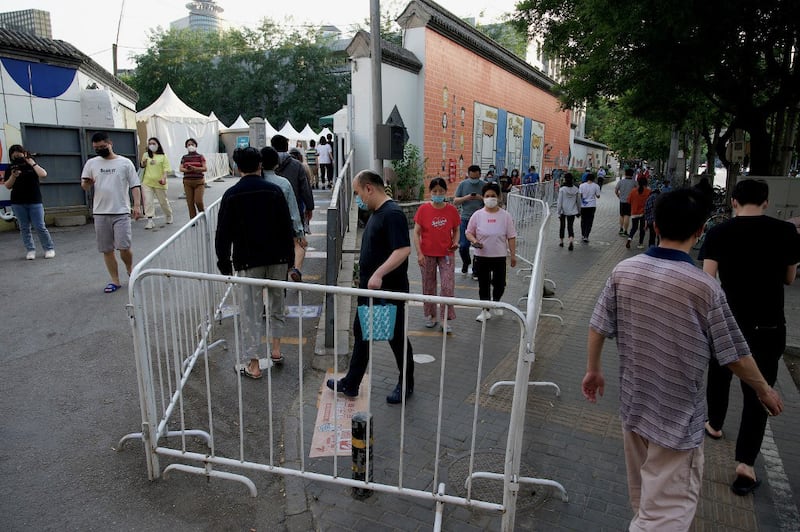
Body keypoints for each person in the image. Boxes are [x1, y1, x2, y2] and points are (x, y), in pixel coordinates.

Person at [583, 188, 784, 530]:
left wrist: (593, 370)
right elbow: (734, 352)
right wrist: (764, 389)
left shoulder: (625, 270)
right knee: (668, 513)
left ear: (655, 226)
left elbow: (598, 325)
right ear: (699, 231)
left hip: (634, 405)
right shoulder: (703, 286)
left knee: (646, 498)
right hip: (677, 418)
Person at [700, 179, 800, 496]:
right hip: (769, 325)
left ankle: (714, 423)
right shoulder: (786, 233)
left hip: (727, 322)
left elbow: (707, 282)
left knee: (719, 374)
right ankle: (745, 464)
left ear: (733, 201)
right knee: (760, 390)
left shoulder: (718, 232)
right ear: (766, 203)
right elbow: (789, 277)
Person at [327, 170, 415, 404]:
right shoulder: (377, 213)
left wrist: (378, 273)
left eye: (357, 192)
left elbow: (403, 249)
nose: (358, 198)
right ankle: (352, 383)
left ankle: (406, 384)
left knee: (395, 338)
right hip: (369, 291)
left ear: (369, 188)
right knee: (362, 334)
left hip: (387, 291)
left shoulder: (392, 213)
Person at [215, 146, 295, 378]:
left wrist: (224, 262)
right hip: (278, 257)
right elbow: (285, 227)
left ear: (237, 167)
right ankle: (277, 350)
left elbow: (223, 233)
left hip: (248, 261)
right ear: (260, 165)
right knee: (277, 306)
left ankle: (254, 364)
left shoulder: (231, 195)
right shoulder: (274, 191)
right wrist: (289, 259)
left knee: (250, 312)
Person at [80, 132, 142, 293]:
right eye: (96, 148)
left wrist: (137, 205)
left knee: (124, 247)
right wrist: (87, 183)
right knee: (106, 249)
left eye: (103, 147)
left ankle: (130, 268)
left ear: (110, 143)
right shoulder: (91, 163)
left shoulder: (125, 163)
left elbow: (135, 185)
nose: (100, 149)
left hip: (121, 211)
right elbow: (84, 186)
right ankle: (115, 280)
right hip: (100, 212)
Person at [413, 177, 460, 333]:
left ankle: (445, 319)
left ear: (446, 192)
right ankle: (431, 316)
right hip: (427, 254)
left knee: (447, 286)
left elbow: (457, 229)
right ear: (430, 192)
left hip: (446, 254)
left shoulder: (452, 210)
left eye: (441, 191)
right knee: (428, 286)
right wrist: (419, 253)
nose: (438, 194)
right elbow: (416, 232)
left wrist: (455, 242)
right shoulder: (423, 210)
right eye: (434, 191)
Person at [465, 182, 517, 322]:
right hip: (481, 256)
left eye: (493, 196)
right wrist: (474, 241)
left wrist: (512, 255)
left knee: (500, 284)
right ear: (483, 197)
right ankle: (485, 310)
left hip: (499, 256)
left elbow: (511, 236)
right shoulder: (477, 215)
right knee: (484, 284)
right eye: (487, 196)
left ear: (499, 197)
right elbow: (469, 232)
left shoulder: (505, 216)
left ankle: (496, 302)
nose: (490, 198)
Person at [271, 135, 314, 280]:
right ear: (286, 146)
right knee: (299, 242)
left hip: (273, 212)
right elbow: (305, 189)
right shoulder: (297, 165)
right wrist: (309, 207)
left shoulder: (266, 165)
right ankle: (296, 268)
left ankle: (280, 270)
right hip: (295, 208)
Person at [261, 146, 308, 280]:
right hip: (282, 232)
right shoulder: (284, 184)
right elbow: (293, 210)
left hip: (259, 234)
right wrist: (300, 232)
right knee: (299, 246)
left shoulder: (255, 183)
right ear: (276, 164)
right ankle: (295, 268)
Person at [3, 144, 55, 260]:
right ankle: (30, 250)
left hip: (34, 200)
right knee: (24, 227)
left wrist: (32, 162)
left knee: (40, 226)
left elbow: (43, 174)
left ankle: (49, 248)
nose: (18, 157)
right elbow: (7, 185)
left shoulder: (32, 165)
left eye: (19, 153)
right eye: (15, 154)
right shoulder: (11, 168)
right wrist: (13, 176)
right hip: (18, 202)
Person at [453, 165, 485, 278]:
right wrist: (466, 197)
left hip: (480, 219)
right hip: (465, 218)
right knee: (463, 245)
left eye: (476, 178)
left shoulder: (484, 185)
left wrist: (480, 198)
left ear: (480, 175)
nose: (474, 181)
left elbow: (491, 200)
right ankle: (466, 262)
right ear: (468, 175)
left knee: (478, 245)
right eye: (472, 178)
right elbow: (455, 200)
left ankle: (476, 270)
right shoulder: (463, 184)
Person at [140, 137, 173, 229]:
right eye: (150, 143)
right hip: (147, 182)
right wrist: (143, 163)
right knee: (148, 201)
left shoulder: (163, 156)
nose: (151, 145)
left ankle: (168, 214)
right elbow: (142, 166)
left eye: (154, 143)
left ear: (158, 145)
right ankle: (150, 220)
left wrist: (164, 178)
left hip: (159, 183)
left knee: (163, 202)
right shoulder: (146, 155)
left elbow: (166, 169)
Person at [179, 138, 207, 219]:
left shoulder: (200, 156)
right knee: (190, 203)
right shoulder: (184, 157)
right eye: (188, 145)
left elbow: (205, 168)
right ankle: (193, 220)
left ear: (196, 145)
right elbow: (181, 168)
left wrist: (195, 168)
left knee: (198, 201)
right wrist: (188, 169)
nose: (190, 146)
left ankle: (203, 215)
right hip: (187, 182)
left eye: (192, 144)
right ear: (186, 146)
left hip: (199, 182)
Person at [556, 172, 580, 250]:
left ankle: (561, 242)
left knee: (562, 226)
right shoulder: (576, 189)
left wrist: (558, 212)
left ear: (565, 179)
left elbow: (559, 202)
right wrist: (579, 211)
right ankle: (571, 241)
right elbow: (578, 202)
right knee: (570, 227)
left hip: (563, 211)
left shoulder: (562, 189)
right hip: (572, 211)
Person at [626, 176, 651, 249]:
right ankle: (640, 243)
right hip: (644, 213)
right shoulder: (648, 191)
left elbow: (628, 201)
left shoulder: (633, 191)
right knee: (642, 228)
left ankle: (629, 238)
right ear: (646, 183)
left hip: (634, 212)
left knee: (634, 227)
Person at [578, 172, 601, 243]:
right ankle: (586, 236)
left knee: (583, 220)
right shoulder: (596, 186)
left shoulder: (582, 185)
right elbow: (598, 196)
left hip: (583, 206)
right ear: (594, 179)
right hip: (592, 206)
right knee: (589, 221)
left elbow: (580, 195)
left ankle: (582, 234)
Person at [615, 167, 637, 236]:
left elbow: (616, 191)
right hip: (630, 202)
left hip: (622, 201)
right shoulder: (634, 183)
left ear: (625, 174)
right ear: (632, 174)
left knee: (621, 215)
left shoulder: (621, 182)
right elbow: (638, 192)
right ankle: (625, 231)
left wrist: (619, 196)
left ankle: (621, 229)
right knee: (627, 216)